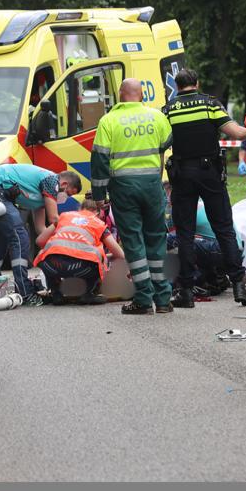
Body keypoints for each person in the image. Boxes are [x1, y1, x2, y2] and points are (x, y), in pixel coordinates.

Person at [161, 68, 246, 309]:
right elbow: (236, 132)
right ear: (197, 83)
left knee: (184, 232)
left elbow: (161, 142)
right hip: (209, 173)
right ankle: (239, 285)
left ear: (176, 85)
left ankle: (185, 290)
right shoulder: (210, 105)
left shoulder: (168, 110)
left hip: (182, 174)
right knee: (224, 228)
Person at [91, 78, 174, 315]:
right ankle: (164, 298)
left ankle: (144, 300)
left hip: (123, 188)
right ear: (141, 94)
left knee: (134, 242)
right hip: (152, 186)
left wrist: (99, 194)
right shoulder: (157, 117)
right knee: (156, 239)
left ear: (120, 94)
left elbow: (99, 160)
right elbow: (166, 142)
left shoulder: (108, 121)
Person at [0, 164, 82, 307]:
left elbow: (40, 228)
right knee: (20, 237)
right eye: (68, 193)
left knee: (2, 237)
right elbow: (55, 219)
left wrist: (52, 246)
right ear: (64, 184)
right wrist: (69, 241)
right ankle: (26, 292)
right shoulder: (52, 180)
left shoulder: (41, 197)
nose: (66, 198)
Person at [34, 196, 124, 305]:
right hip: (81, 268)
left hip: (51, 266)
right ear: (98, 212)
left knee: (46, 251)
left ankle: (56, 293)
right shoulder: (98, 223)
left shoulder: (64, 217)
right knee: (99, 255)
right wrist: (107, 257)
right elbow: (120, 254)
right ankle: (88, 294)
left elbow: (39, 241)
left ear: (80, 208)